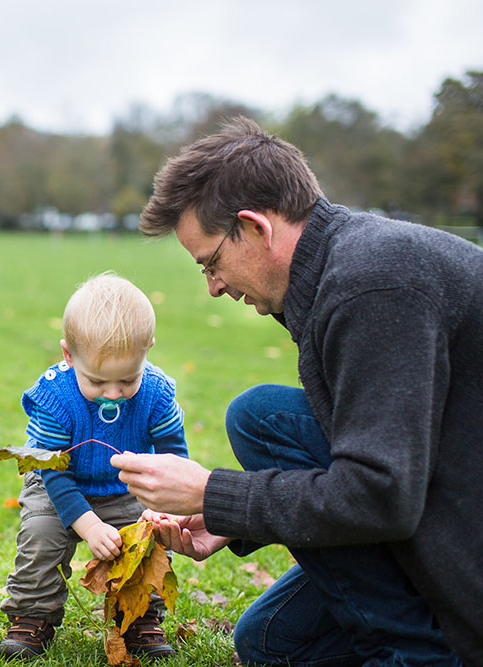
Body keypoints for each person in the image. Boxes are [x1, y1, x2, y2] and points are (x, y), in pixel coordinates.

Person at [111, 116, 482, 665]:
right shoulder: (338, 269)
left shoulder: (373, 284)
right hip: (446, 491)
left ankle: (418, 655)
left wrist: (215, 492)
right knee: (273, 640)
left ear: (256, 227)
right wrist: (227, 518)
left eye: (211, 263)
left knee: (258, 417)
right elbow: (370, 451)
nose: (213, 287)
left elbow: (381, 494)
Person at [0, 272, 187, 661]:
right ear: (68, 356)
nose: (113, 393)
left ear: (147, 351)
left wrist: (160, 505)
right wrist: (87, 522)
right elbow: (50, 468)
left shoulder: (156, 393)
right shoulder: (55, 398)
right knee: (42, 539)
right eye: (98, 381)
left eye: (127, 379)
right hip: (58, 483)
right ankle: (33, 616)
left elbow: (172, 455)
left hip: (124, 488)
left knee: (146, 546)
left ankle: (138, 617)